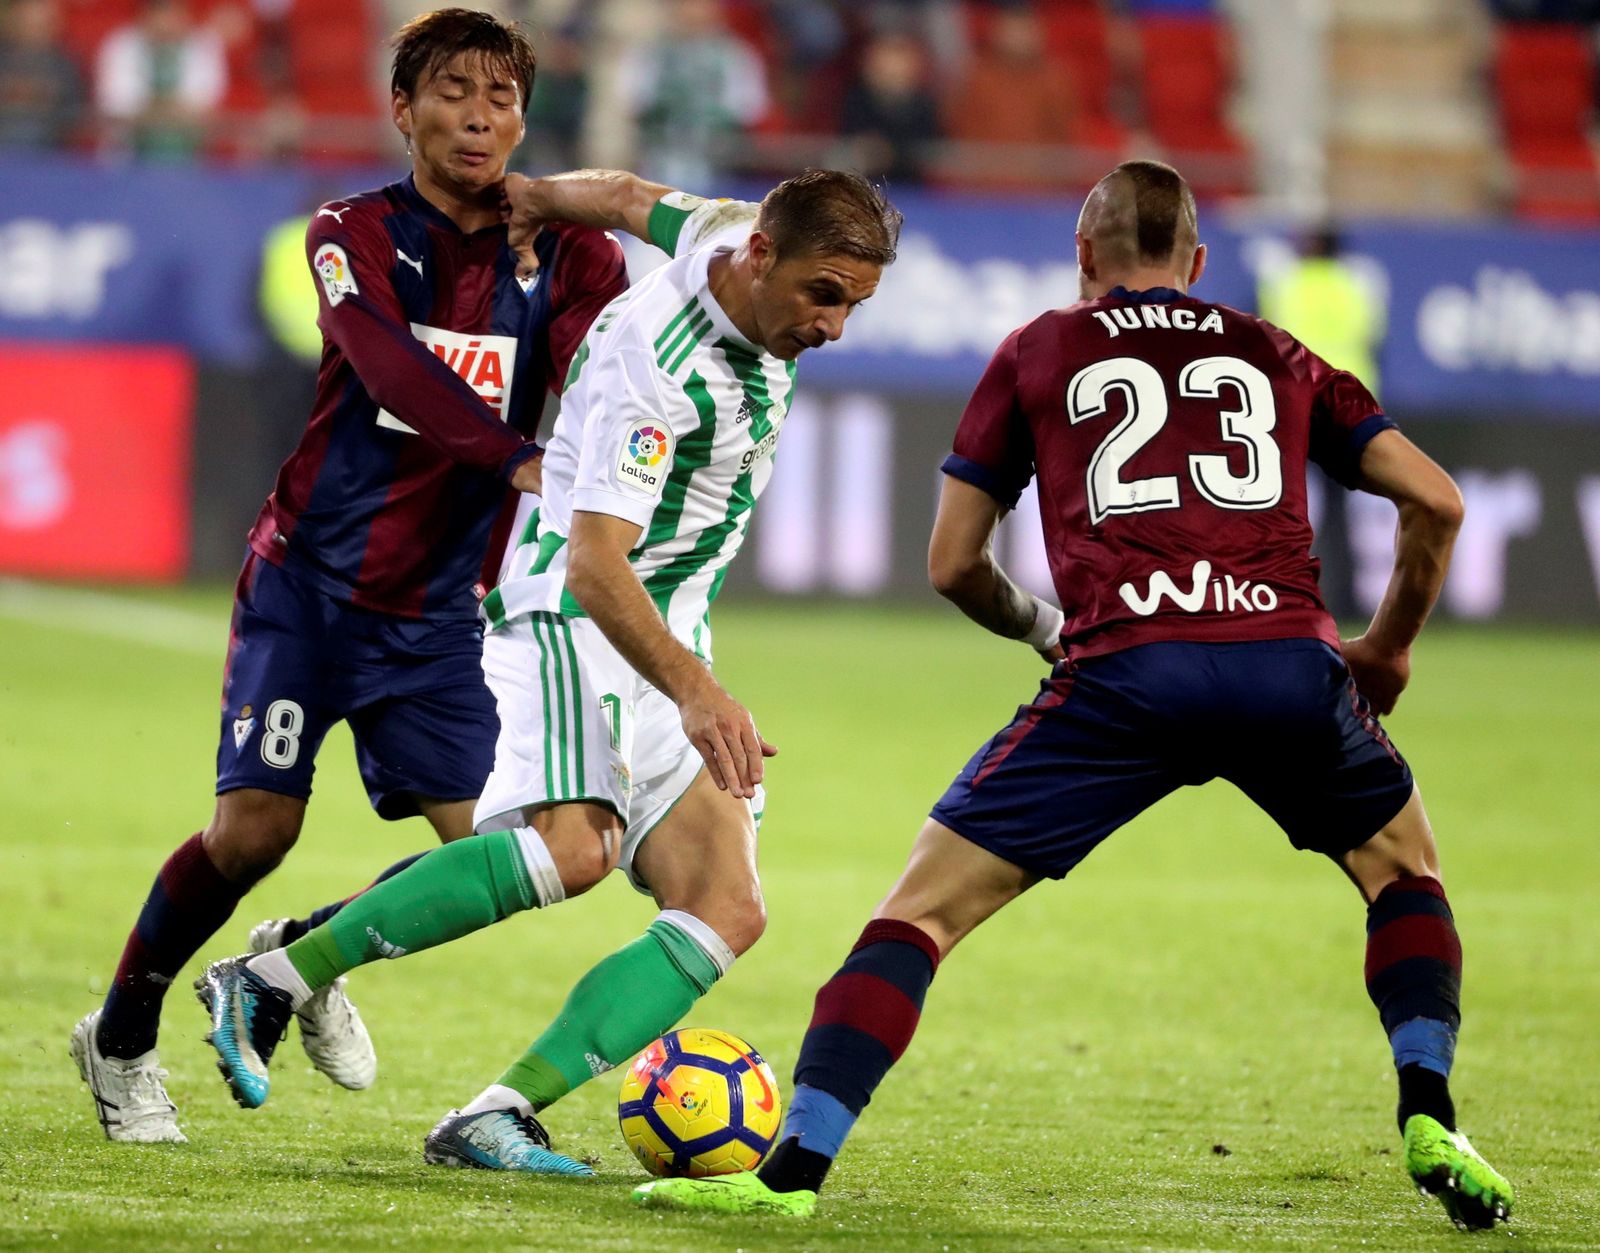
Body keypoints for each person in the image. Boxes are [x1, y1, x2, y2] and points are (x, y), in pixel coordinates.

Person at [632, 159, 1515, 1231]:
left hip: (1125, 672)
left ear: (1083, 255)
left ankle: (791, 1173)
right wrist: (1386, 647)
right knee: (1401, 871)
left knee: (918, 913)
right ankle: (1430, 1107)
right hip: (1285, 663)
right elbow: (1437, 500)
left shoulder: (1038, 348)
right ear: (1195, 263)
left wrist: (1044, 630)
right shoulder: (1272, 349)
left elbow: (954, 564)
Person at [195, 167, 901, 1176]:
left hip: (667, 629)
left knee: (726, 905)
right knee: (574, 848)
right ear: (761, 258)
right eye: (823, 295)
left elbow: (621, 193)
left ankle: (495, 1114)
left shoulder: (727, 229)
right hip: (575, 617)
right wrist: (698, 693)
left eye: (853, 305)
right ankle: (272, 973)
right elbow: (593, 561)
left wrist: (534, 194)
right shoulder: (658, 373)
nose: (833, 325)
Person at [70, 7, 628, 1144]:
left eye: (504, 97)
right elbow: (386, 362)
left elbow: (613, 364)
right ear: (403, 109)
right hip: (308, 585)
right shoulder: (353, 229)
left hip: (437, 616)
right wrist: (517, 454)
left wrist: (598, 237)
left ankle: (294, 955)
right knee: (250, 832)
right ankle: (120, 1036)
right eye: (455, 93)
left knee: (501, 850)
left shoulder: (571, 254)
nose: (482, 117)